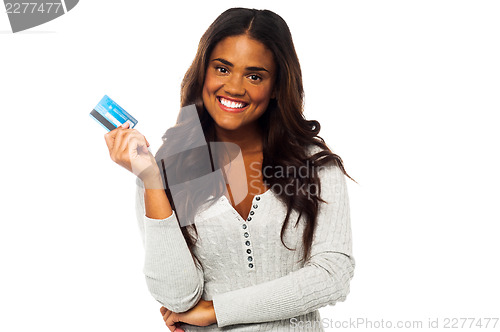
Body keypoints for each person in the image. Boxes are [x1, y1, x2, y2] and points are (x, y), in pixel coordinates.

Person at [104, 7, 355, 332]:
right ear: (203, 73)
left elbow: (332, 275)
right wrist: (151, 180)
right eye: (222, 69)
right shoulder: (165, 168)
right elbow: (177, 298)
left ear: (277, 85)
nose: (235, 87)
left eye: (254, 76)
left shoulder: (315, 166)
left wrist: (218, 310)